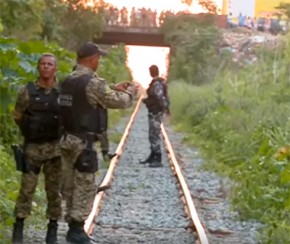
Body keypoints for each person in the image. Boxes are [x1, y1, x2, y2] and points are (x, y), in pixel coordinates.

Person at [59, 42, 138, 244]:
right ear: (93, 59)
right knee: (85, 184)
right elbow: (118, 101)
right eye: (98, 58)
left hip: (66, 140)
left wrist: (112, 86)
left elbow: (85, 95)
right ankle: (76, 230)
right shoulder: (92, 82)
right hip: (83, 143)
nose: (99, 61)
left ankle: (71, 227)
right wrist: (131, 93)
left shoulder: (68, 80)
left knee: (69, 185)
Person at [11, 53, 61, 244]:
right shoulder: (27, 92)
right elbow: (17, 115)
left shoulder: (62, 93)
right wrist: (29, 129)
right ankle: (18, 227)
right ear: (38, 67)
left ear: (55, 68)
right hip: (32, 149)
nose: (46, 67)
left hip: (55, 151)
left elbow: (69, 117)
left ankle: (53, 229)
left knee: (53, 192)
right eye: (43, 64)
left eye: (50, 64)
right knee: (26, 190)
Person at [140, 65, 170, 168]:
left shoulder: (157, 84)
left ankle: (158, 158)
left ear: (151, 72)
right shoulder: (157, 82)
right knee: (152, 134)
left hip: (156, 112)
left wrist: (165, 108)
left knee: (154, 134)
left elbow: (160, 97)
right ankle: (153, 156)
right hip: (155, 111)